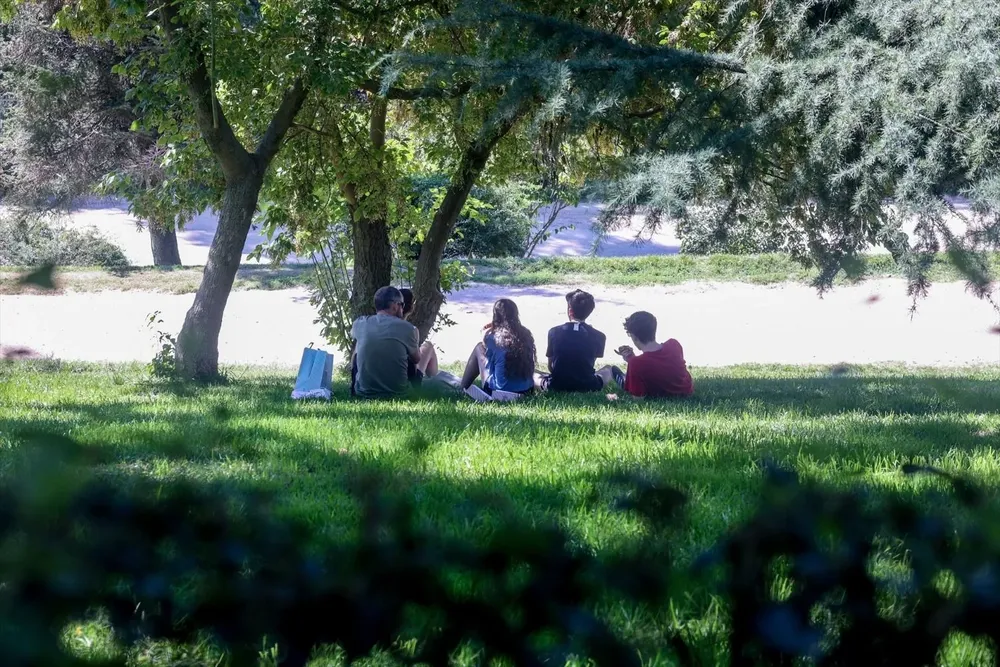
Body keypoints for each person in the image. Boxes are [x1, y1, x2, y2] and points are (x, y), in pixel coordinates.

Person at [351, 286, 438, 398]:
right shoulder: (408, 328)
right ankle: (434, 378)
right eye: (402, 305)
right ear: (395, 306)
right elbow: (416, 359)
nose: (403, 308)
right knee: (428, 347)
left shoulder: (359, 324)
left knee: (359, 344)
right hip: (399, 393)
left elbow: (355, 358)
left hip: (363, 392)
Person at [598, 311, 693, 398]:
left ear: (634, 337)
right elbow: (658, 364)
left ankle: (625, 381)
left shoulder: (636, 363)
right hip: (685, 391)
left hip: (659, 394)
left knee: (613, 370)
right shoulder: (674, 344)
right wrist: (632, 359)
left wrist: (615, 398)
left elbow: (638, 399)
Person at [461, 298, 536, 395]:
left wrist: (486, 333)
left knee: (478, 347)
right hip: (527, 390)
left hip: (499, 391)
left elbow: (485, 348)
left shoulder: (492, 337)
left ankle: (462, 387)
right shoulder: (526, 334)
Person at [540, 289, 606, 392]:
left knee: (534, 373)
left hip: (557, 384)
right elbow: (590, 363)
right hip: (588, 385)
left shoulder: (554, 332)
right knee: (608, 369)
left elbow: (551, 366)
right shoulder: (600, 336)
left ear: (570, 311)